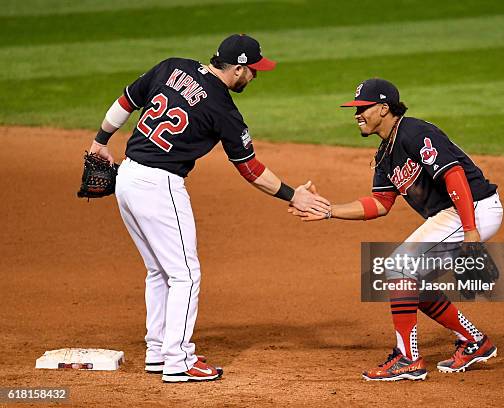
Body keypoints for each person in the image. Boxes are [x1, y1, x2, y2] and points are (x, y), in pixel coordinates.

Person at [87, 34, 330, 383]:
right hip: (160, 186)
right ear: (239, 69)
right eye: (253, 71)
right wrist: (294, 195)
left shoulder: (172, 67)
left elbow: (126, 100)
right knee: (185, 274)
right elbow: (250, 170)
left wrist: (100, 140)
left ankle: (157, 351)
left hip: (127, 176)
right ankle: (178, 360)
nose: (255, 77)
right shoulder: (223, 109)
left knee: (158, 270)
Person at [289, 78, 503, 381]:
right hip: (455, 213)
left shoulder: (414, 132)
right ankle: (474, 341)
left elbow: (454, 174)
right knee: (410, 278)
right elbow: (380, 203)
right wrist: (329, 211)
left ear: (384, 108)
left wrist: (471, 233)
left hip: (473, 207)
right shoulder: (385, 154)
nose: (357, 115)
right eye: (355, 109)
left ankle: (408, 359)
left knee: (399, 269)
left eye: (363, 108)